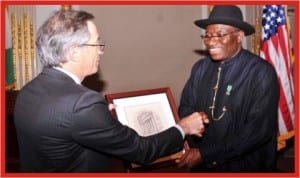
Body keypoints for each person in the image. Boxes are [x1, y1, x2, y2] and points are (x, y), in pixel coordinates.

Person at [13, 9, 209, 172]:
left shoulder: (28, 91)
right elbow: (141, 151)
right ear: (74, 52)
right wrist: (183, 127)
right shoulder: (83, 104)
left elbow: (64, 129)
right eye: (96, 43)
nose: (100, 50)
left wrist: (99, 118)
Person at [176, 5, 279, 172]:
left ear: (239, 36)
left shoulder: (261, 72)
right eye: (207, 36)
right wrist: (195, 117)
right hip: (203, 163)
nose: (210, 41)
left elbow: (257, 131)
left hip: (243, 165)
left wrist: (206, 154)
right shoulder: (200, 68)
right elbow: (186, 105)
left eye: (220, 35)